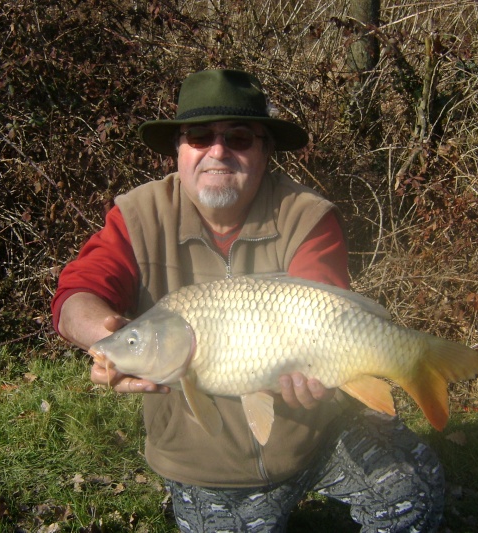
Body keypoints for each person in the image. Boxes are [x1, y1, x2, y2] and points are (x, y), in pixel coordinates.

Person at [52, 69, 444, 532]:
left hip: (314, 432)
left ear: (265, 151)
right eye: (199, 136)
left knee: (413, 496)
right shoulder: (138, 216)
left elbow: (327, 312)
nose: (218, 151)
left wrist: (330, 371)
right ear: (179, 149)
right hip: (206, 461)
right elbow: (77, 294)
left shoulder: (305, 215)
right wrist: (110, 340)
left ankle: (413, 363)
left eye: (238, 137)